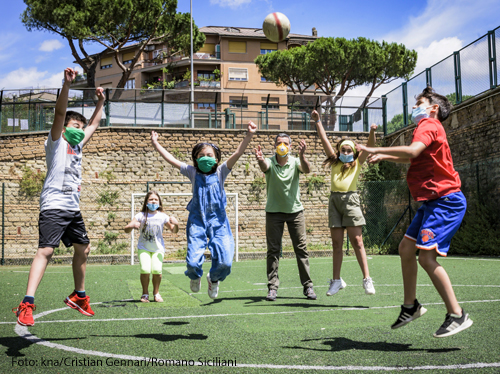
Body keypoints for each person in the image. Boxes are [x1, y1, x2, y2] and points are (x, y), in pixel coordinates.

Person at [356, 87, 473, 338]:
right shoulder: (428, 129)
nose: (413, 108)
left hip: (446, 201)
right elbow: (412, 158)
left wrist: (376, 150)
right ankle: (411, 306)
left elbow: (411, 151)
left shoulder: (428, 125)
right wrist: (384, 155)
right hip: (432, 202)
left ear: (433, 109)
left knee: (426, 258)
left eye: (419, 102)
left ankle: (457, 314)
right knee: (406, 249)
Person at [12, 68, 105, 326]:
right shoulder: (57, 141)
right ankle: (26, 304)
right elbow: (60, 113)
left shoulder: (77, 145)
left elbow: (95, 123)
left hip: (72, 208)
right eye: (76, 126)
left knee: (83, 248)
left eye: (81, 127)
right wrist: (66, 85)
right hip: (53, 204)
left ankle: (79, 295)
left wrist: (101, 102)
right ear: (65, 128)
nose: (80, 130)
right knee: (46, 250)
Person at [151, 121, 257, 299]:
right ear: (196, 159)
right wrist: (156, 144)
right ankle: (195, 276)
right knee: (192, 262)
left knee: (225, 262)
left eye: (209, 155)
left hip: (219, 221)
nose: (205, 157)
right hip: (197, 221)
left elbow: (238, 153)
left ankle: (213, 278)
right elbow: (171, 159)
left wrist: (249, 135)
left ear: (216, 159)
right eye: (201, 155)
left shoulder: (221, 172)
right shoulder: (192, 172)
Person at [311, 110, 377, 297]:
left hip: (351, 200)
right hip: (334, 202)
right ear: (339, 151)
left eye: (349, 150)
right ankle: (336, 281)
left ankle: (367, 279)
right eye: (343, 150)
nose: (346, 153)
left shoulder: (357, 163)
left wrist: (372, 132)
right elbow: (324, 140)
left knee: (357, 241)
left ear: (354, 152)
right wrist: (318, 122)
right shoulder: (334, 163)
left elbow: (370, 146)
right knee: (336, 244)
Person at [254, 133, 317, 301]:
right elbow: (263, 166)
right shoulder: (269, 161)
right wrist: (260, 159)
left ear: (290, 146)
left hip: (295, 212)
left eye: (285, 143)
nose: (282, 146)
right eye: (279, 143)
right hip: (274, 212)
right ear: (275, 145)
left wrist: (302, 155)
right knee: (273, 251)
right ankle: (272, 287)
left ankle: (308, 286)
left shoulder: (296, 161)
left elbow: (307, 169)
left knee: (301, 249)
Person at [124, 191, 179, 303]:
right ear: (146, 202)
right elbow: (126, 229)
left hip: (158, 249)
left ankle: (156, 293)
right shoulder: (140, 215)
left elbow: (174, 231)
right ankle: (145, 294)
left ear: (159, 202)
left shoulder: (163, 216)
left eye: (155, 200)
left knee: (157, 270)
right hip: (143, 247)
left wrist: (177, 224)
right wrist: (132, 225)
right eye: (151, 199)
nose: (153, 201)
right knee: (145, 269)